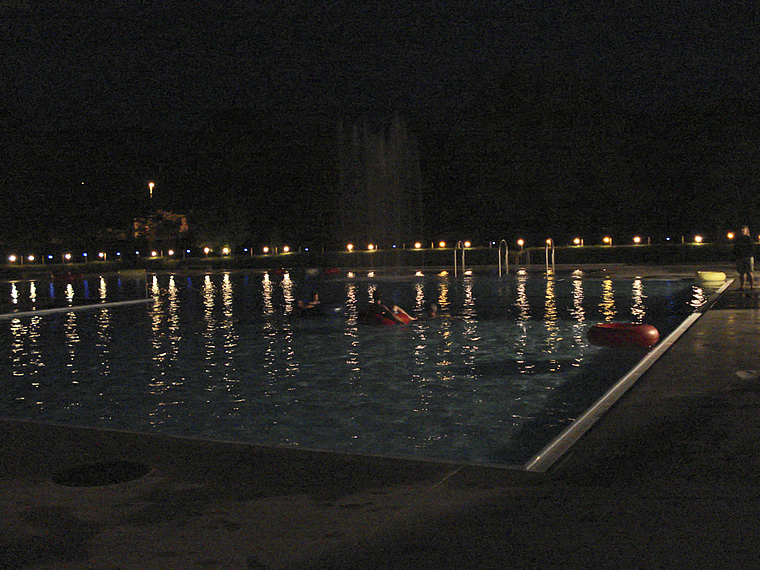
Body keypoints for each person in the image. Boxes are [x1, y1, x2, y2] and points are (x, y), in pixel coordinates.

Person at [733, 225, 755, 290]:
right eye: (741, 229)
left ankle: (751, 286)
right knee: (742, 273)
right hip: (740, 257)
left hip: (747, 257)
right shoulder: (738, 239)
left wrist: (749, 256)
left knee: (749, 272)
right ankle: (742, 286)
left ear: (746, 230)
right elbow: (735, 248)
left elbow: (752, 248)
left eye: (743, 229)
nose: (742, 230)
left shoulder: (749, 238)